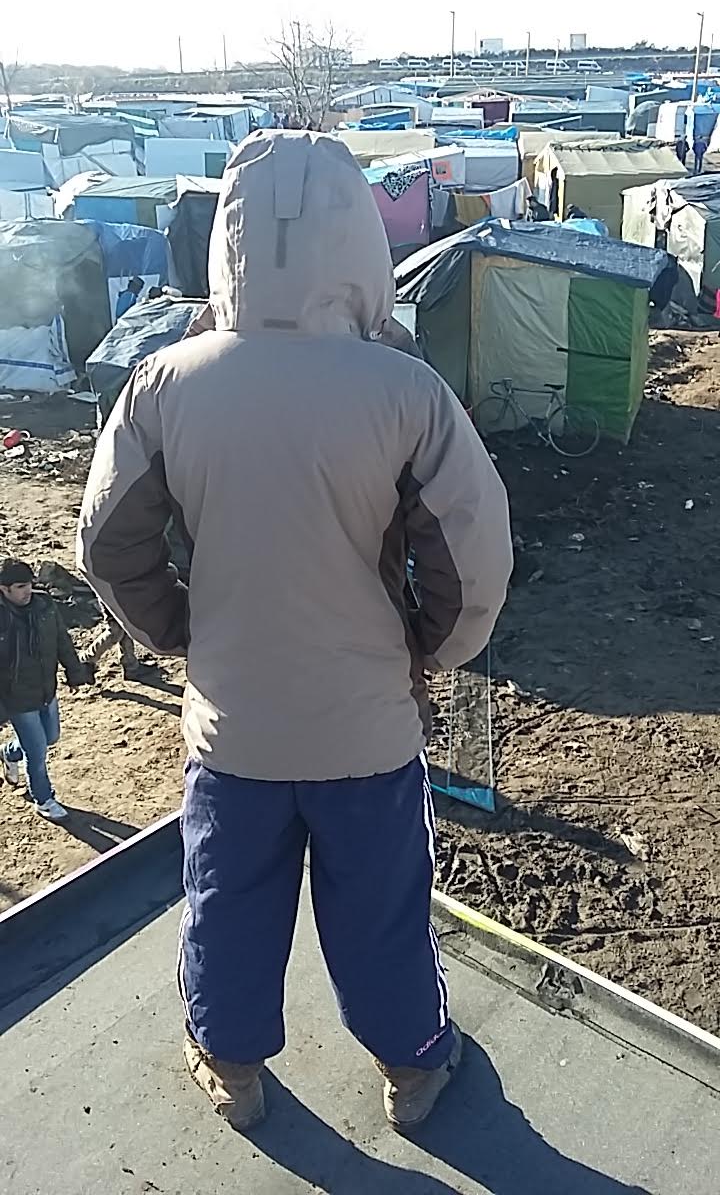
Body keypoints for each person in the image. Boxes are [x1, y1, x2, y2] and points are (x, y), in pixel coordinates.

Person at [77, 130, 512, 1133]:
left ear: (227, 238)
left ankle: (231, 1066)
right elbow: (473, 559)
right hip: (366, 728)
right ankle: (411, 1067)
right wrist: (430, 651)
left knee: (226, 902)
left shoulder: (163, 381)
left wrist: (184, 634)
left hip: (234, 728)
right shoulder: (407, 391)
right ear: (360, 242)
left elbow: (108, 543)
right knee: (384, 912)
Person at [0, 558, 88, 821]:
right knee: (37, 753)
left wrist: (74, 671)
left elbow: (61, 638)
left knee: (50, 737)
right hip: (16, 698)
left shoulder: (45, 604)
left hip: (46, 689)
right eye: (20, 587)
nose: (27, 591)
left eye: (29, 585)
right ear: (3, 589)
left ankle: (8, 752)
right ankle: (44, 800)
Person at [80, 601, 157, 682]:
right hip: (113, 592)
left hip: (120, 593)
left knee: (125, 624)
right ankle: (86, 660)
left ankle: (130, 665)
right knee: (115, 630)